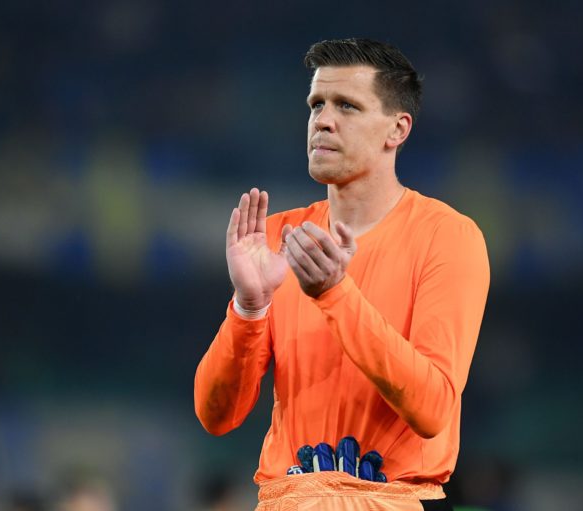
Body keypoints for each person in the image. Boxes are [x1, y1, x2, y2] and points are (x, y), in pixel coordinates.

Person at [194, 38, 490, 510]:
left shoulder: (448, 237)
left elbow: (433, 409)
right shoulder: (280, 238)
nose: (322, 121)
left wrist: (335, 294)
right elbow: (216, 416)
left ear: (397, 129)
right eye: (317, 104)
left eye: (347, 106)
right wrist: (248, 308)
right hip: (287, 500)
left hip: (392, 500)